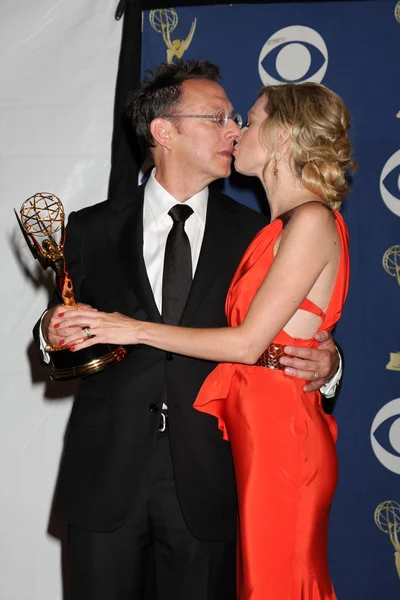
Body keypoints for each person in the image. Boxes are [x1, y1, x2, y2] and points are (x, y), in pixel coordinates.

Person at [35, 61, 341, 600]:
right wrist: (51, 331)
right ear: (164, 131)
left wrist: (330, 364)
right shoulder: (90, 227)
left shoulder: (260, 232)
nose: (234, 130)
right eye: (217, 117)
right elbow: (61, 318)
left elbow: (290, 329)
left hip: (215, 475)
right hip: (106, 475)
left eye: (237, 118)